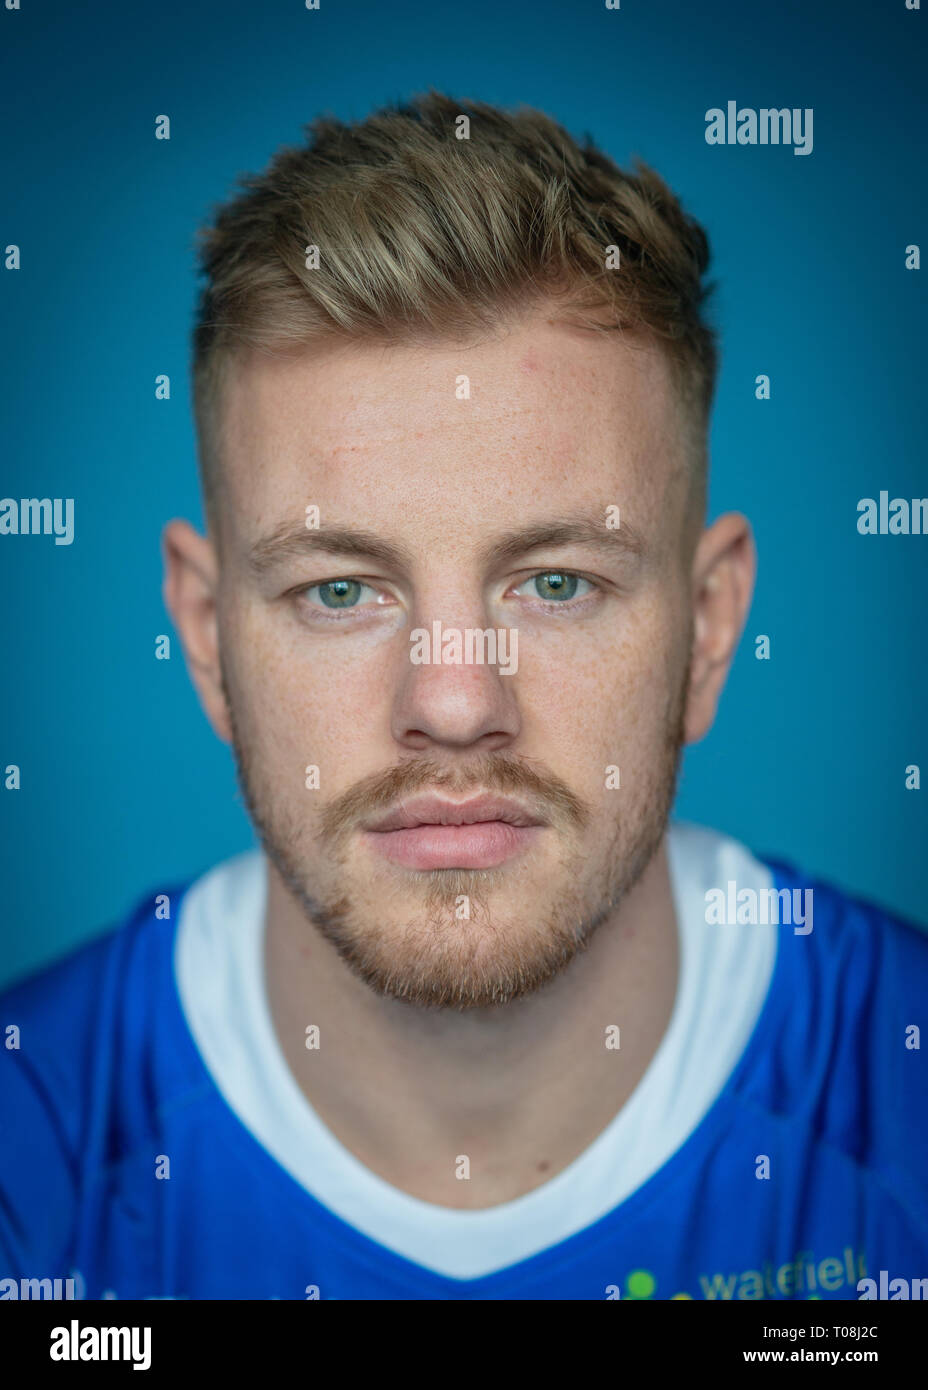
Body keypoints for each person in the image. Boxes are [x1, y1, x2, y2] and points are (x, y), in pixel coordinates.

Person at [2, 91, 926, 1302]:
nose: (449, 701)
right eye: (340, 590)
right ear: (207, 633)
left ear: (707, 630)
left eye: (555, 581)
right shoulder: (37, 1150)